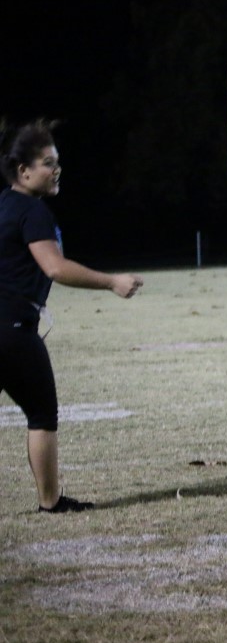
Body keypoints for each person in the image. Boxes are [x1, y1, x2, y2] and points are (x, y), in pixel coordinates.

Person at [0, 119, 143, 512]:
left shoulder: (4, 205)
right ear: (24, 171)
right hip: (12, 330)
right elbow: (56, 268)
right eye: (48, 163)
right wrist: (111, 281)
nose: (56, 169)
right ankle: (51, 502)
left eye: (57, 162)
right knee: (42, 415)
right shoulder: (33, 211)